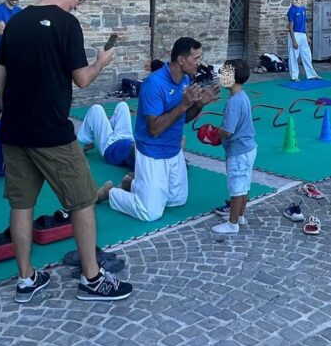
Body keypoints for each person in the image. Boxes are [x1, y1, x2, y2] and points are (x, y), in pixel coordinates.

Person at [0, 0, 131, 303]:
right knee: (83, 201)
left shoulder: (17, 21)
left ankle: (26, 279)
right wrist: (101, 61)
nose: (77, 5)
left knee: (21, 205)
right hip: (52, 132)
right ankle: (92, 279)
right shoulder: (67, 24)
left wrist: (6, 110)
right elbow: (82, 79)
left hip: (14, 131)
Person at [108, 37, 218, 222]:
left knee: (176, 200)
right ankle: (113, 194)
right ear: (181, 60)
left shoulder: (186, 79)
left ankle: (135, 184)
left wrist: (199, 105)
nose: (200, 63)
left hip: (173, 150)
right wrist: (183, 105)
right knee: (150, 213)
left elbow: (182, 119)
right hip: (152, 151)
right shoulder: (154, 84)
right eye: (196, 58)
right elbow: (154, 129)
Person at [211, 60, 257, 235]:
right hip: (249, 147)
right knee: (244, 184)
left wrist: (215, 132)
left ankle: (232, 224)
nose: (221, 76)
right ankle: (240, 216)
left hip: (238, 151)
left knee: (237, 186)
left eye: (224, 73)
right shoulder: (242, 96)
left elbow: (228, 131)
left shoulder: (233, 102)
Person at [76, 102, 136, 171]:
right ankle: (110, 127)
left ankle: (88, 140)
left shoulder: (142, 163)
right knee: (123, 105)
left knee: (96, 109)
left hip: (110, 146)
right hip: (127, 137)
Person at [286, 0, 319, 81]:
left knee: (307, 55)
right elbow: (290, 26)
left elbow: (304, 23)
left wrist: (307, 36)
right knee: (294, 56)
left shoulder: (303, 8)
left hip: (302, 35)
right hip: (295, 34)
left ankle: (311, 75)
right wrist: (294, 41)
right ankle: (294, 76)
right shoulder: (292, 10)